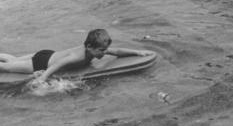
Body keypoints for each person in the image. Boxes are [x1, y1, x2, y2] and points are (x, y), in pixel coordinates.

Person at [0, 29, 152, 83]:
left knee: (12, 60)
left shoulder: (96, 49)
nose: (103, 53)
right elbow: (58, 65)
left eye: (104, 49)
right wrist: (43, 78)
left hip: (49, 54)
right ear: (88, 47)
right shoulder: (78, 56)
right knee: (6, 68)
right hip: (42, 62)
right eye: (100, 50)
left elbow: (117, 51)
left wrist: (138, 52)